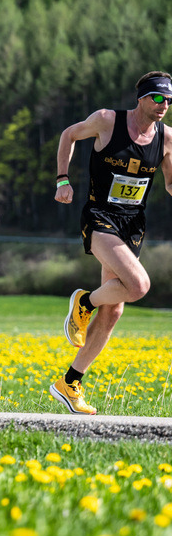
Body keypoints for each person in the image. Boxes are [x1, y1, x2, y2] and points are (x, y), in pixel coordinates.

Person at [52, 71, 172, 415]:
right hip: (100, 216)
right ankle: (85, 301)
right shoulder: (108, 121)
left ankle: (70, 382)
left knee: (114, 310)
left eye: (169, 100)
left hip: (133, 225)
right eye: (158, 98)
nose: (164, 105)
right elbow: (69, 134)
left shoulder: (166, 138)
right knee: (139, 285)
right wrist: (62, 179)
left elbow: (170, 183)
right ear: (142, 98)